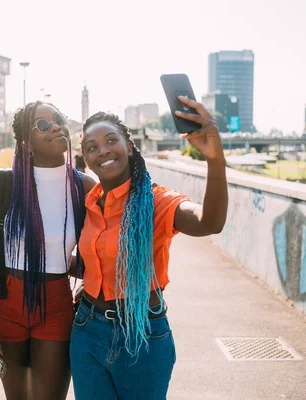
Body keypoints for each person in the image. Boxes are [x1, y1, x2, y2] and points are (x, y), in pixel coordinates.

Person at [70, 96, 228, 400]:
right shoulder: (89, 202)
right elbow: (96, 260)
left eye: (111, 140)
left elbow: (210, 222)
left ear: (129, 147)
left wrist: (214, 158)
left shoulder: (156, 201)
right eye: (91, 147)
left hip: (141, 335)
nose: (102, 150)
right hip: (86, 331)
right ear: (86, 159)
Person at [0, 101, 96, 400]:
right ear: (26, 144)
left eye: (58, 119)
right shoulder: (4, 185)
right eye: (42, 125)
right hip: (5, 305)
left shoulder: (84, 187)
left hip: (56, 306)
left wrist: (90, 279)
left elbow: (103, 249)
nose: (54, 126)